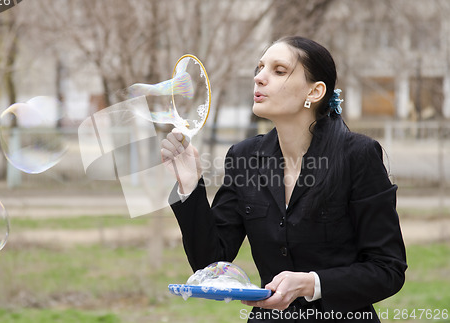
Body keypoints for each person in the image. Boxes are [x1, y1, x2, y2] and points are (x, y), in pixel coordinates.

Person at [161, 36, 407, 322]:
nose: (259, 78)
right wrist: (190, 186)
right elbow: (210, 263)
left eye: (278, 71)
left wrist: (311, 283)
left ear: (314, 92)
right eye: (260, 68)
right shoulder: (244, 157)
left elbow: (387, 269)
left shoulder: (358, 155)